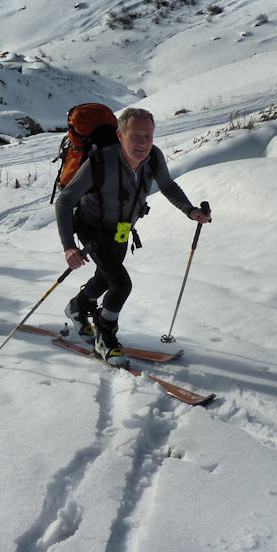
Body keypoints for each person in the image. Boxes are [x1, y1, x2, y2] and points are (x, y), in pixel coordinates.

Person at [54, 107, 211, 367]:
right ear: (120, 134)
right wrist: (69, 246)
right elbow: (65, 201)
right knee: (121, 284)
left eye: (147, 136)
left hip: (122, 228)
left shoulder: (154, 158)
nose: (142, 143)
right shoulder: (100, 162)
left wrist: (190, 210)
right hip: (91, 226)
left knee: (106, 277)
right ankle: (105, 335)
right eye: (135, 136)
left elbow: (167, 185)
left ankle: (78, 307)